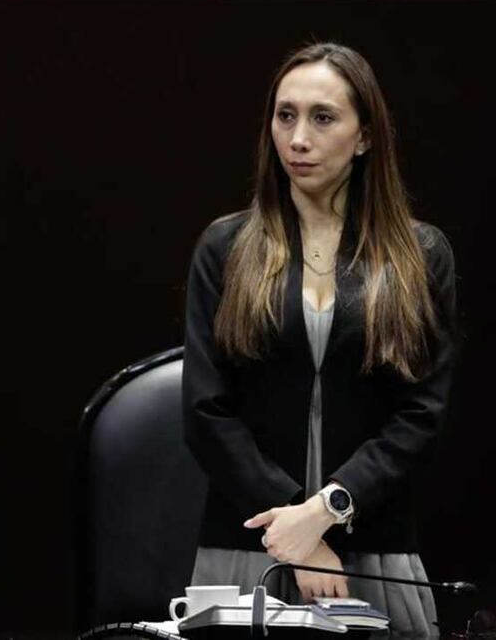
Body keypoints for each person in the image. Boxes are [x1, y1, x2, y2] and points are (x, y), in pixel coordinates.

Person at [182, 42, 457, 635]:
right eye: (285, 115)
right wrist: (294, 534)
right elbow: (206, 410)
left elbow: (421, 415)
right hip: (250, 545)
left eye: (322, 117)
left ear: (364, 137)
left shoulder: (421, 255)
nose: (298, 138)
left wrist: (326, 512)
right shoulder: (225, 248)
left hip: (371, 550)